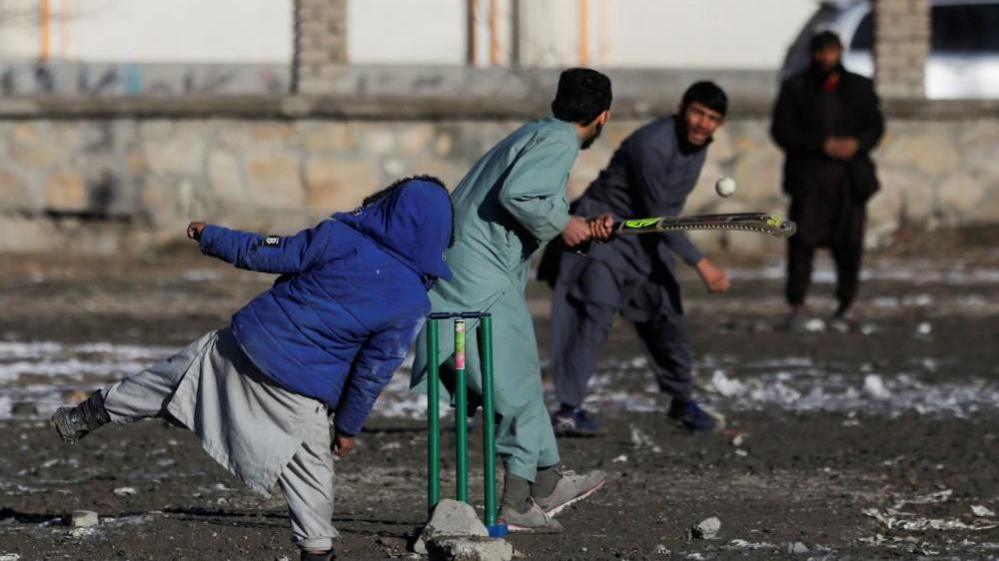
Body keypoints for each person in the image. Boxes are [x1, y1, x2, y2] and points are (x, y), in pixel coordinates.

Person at [50, 177, 455, 561]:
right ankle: (316, 550)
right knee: (311, 477)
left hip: (245, 345)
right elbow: (373, 371)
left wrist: (211, 236)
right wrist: (348, 427)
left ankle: (87, 414)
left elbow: (265, 249)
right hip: (301, 391)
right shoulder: (411, 302)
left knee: (165, 380)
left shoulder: (338, 238)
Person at [412, 68, 614, 533]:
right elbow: (520, 194)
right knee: (517, 387)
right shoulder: (561, 141)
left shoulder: (535, 132)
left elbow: (527, 198)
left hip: (459, 274)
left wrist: (573, 224)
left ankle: (543, 481)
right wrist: (565, 226)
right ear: (603, 117)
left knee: (509, 383)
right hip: (481, 282)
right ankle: (518, 504)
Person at [540, 81, 731, 437]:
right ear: (682, 108)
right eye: (698, 113)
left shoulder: (699, 147)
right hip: (602, 232)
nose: (703, 124)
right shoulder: (653, 144)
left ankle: (681, 401)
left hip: (643, 238)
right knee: (592, 312)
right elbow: (659, 212)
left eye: (712, 119)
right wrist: (702, 264)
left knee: (667, 314)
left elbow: (662, 216)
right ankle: (568, 409)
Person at [771, 31, 885, 330]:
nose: (826, 58)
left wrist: (856, 144)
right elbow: (783, 130)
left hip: (849, 180)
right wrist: (821, 145)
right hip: (810, 179)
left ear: (840, 52)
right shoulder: (796, 88)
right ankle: (797, 304)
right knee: (801, 243)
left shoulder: (859, 87)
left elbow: (875, 126)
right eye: (822, 52)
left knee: (850, 244)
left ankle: (847, 304)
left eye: (831, 52)